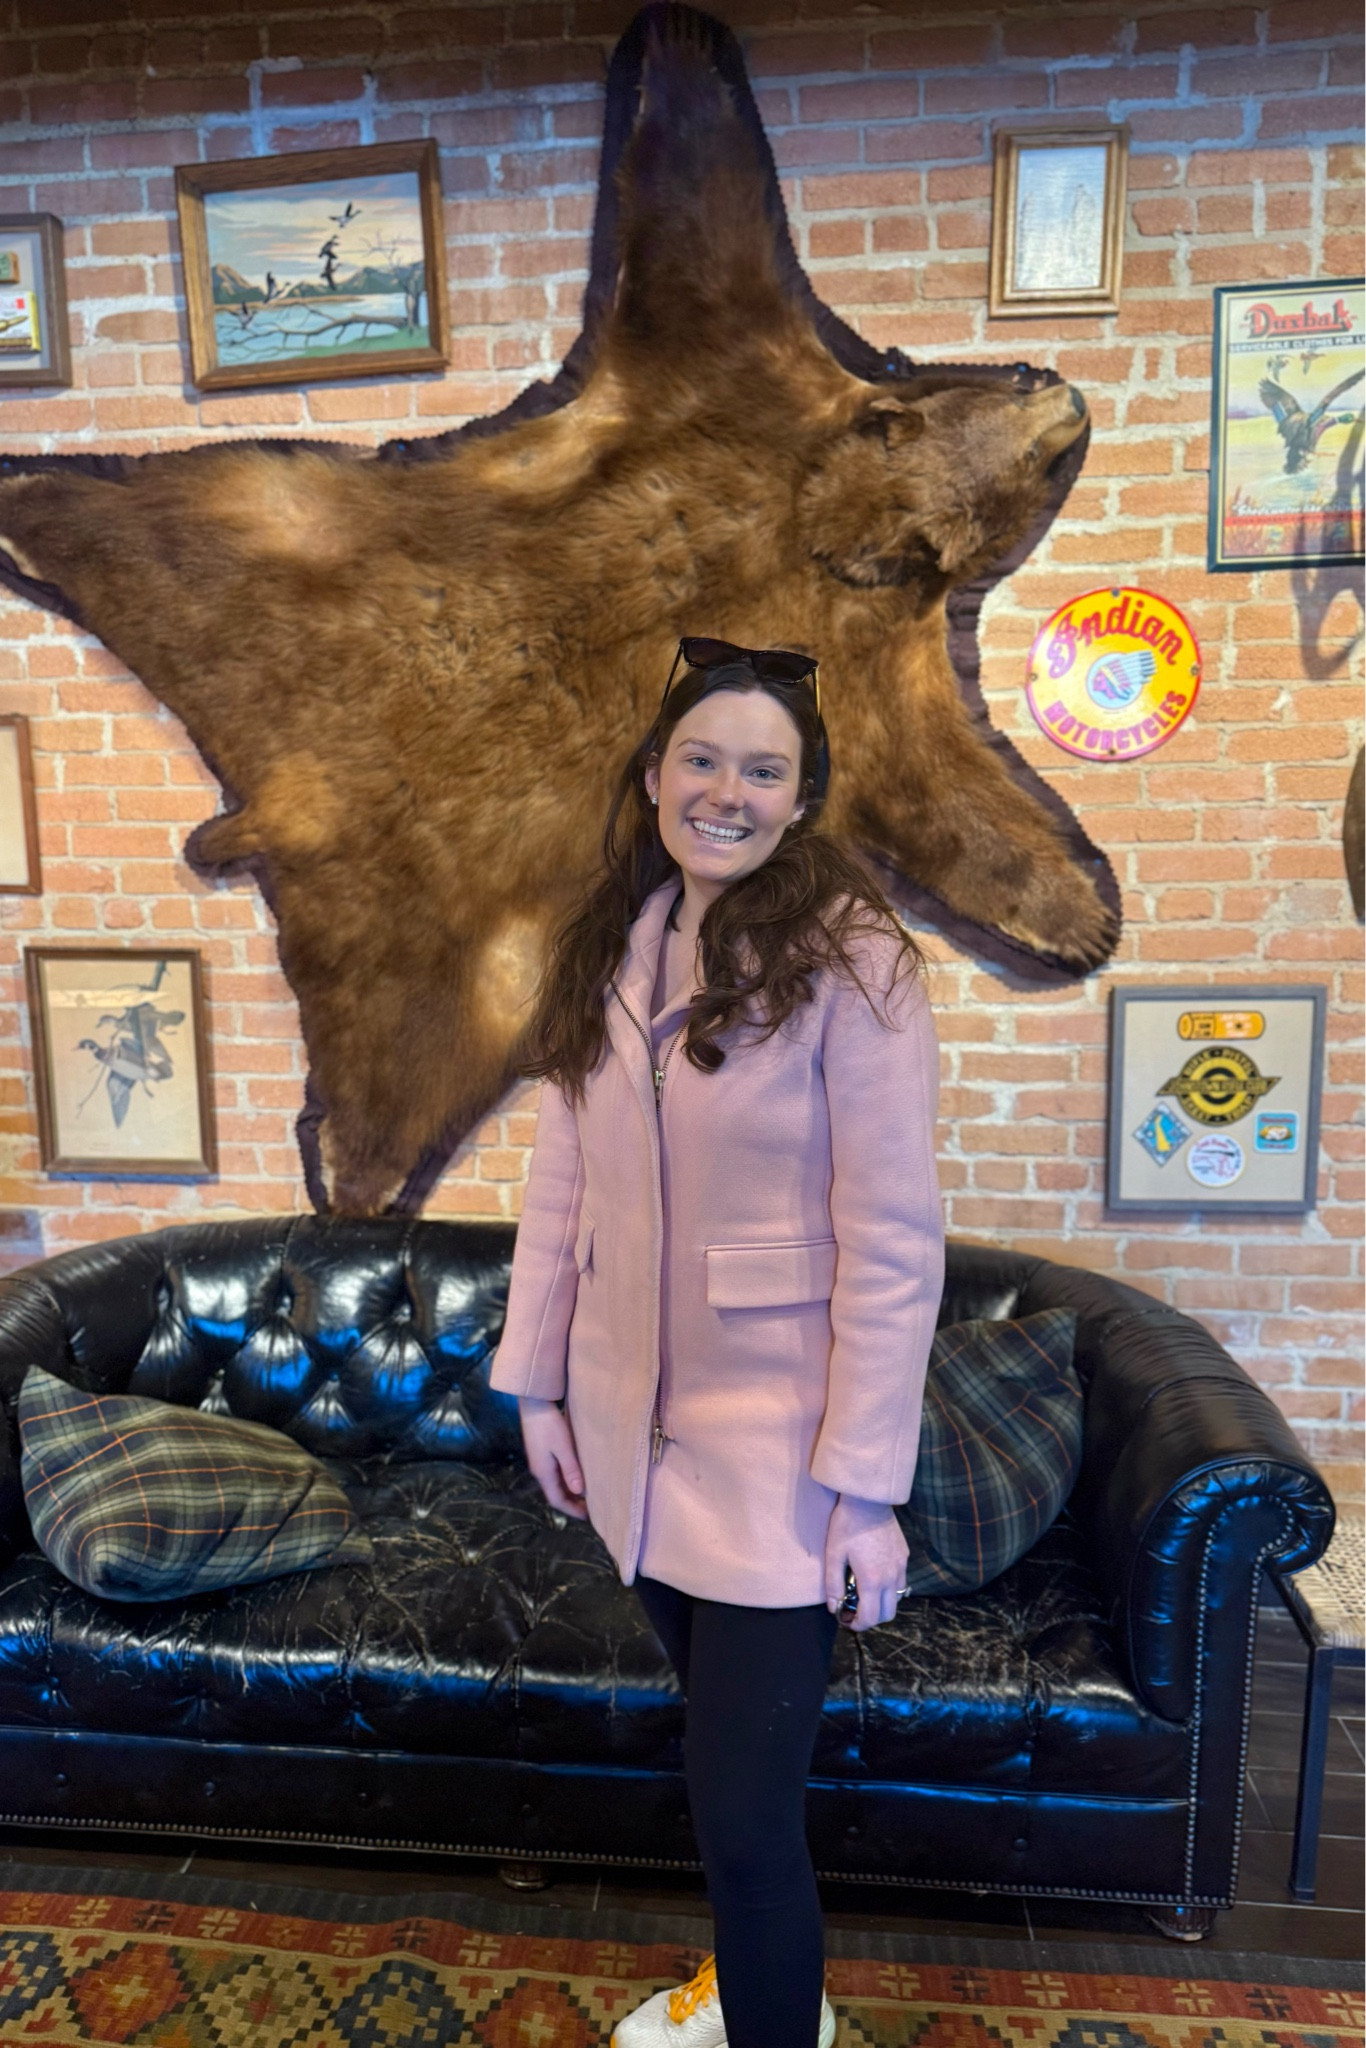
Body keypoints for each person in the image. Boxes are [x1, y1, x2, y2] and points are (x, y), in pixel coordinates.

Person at [490, 638, 945, 2048]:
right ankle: (752, 1999)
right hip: (629, 1440)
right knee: (723, 1780)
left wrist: (863, 1488)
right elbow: (561, 1183)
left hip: (777, 1457)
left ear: (802, 798)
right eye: (701, 758)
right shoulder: (612, 944)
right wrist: (536, 1389)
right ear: (653, 775)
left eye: (763, 769)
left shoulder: (856, 963)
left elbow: (891, 1241)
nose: (726, 792)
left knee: (744, 1823)